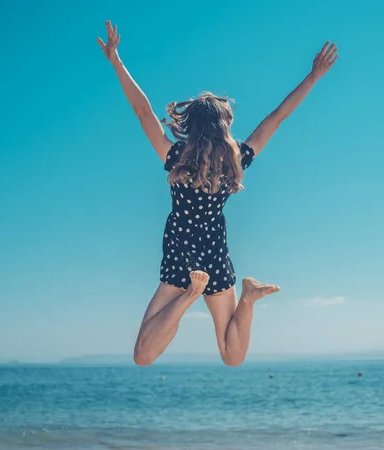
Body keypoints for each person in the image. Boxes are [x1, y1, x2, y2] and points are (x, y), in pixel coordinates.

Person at [97, 20, 338, 366]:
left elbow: (142, 111)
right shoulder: (234, 161)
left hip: (180, 254)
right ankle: (246, 297)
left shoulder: (175, 157)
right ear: (223, 126)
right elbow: (277, 117)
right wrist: (313, 77)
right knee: (232, 356)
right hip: (212, 257)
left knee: (143, 356)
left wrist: (117, 62)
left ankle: (191, 295)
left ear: (190, 125)